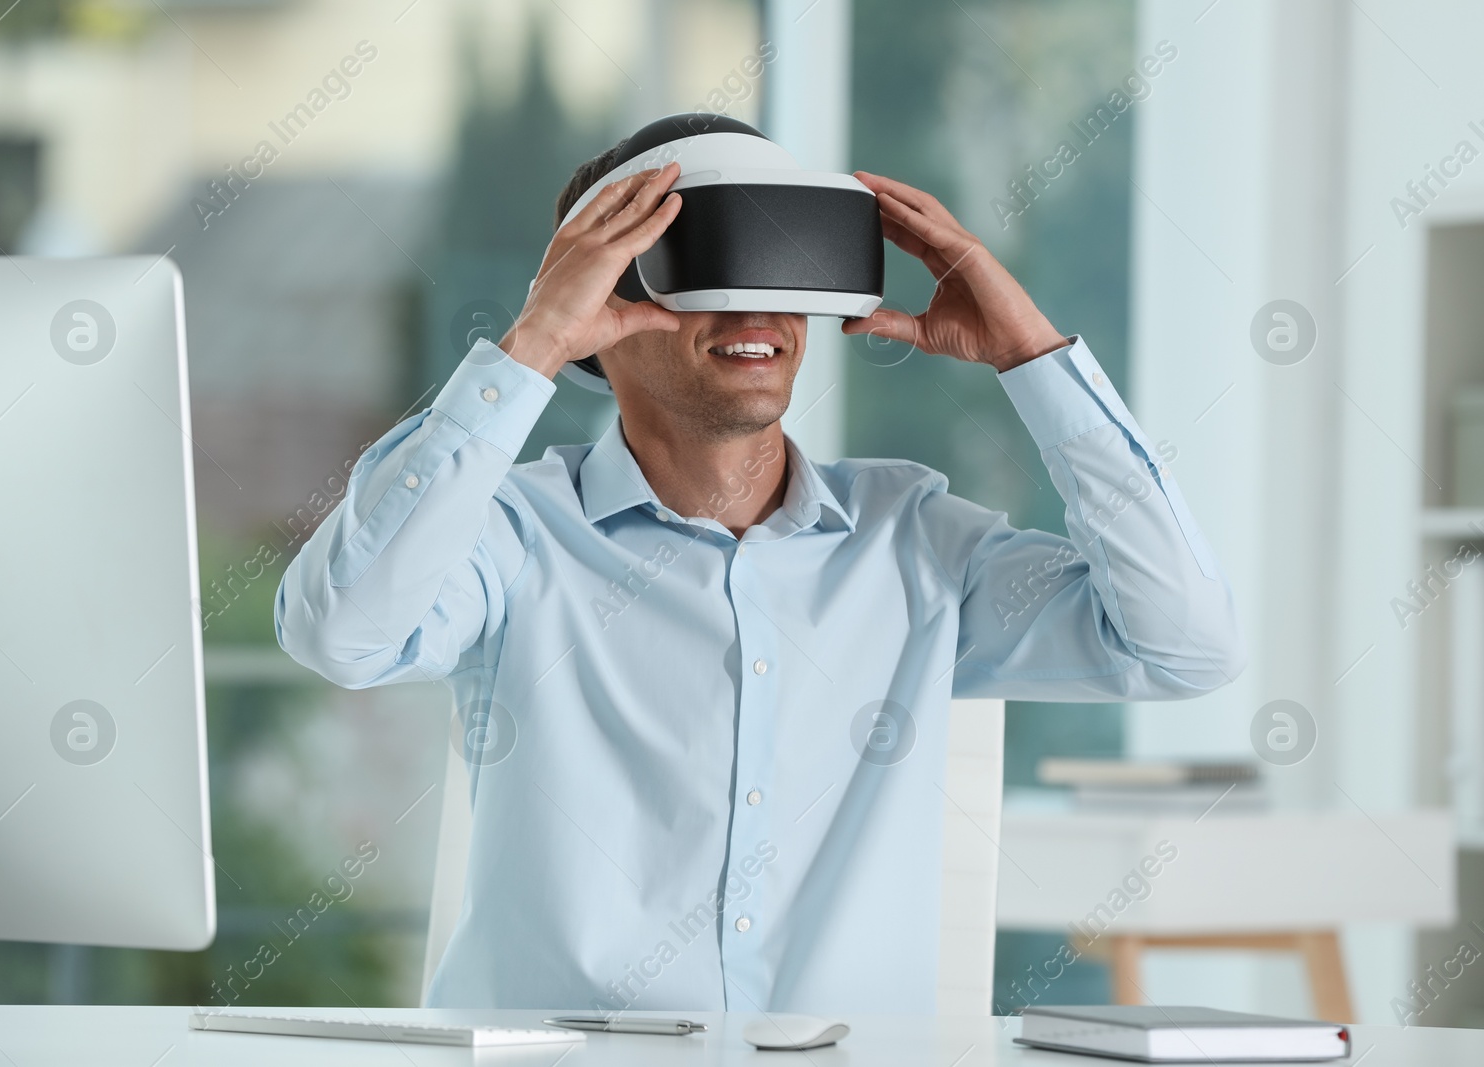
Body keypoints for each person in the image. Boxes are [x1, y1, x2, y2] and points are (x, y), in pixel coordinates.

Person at [275, 144, 1245, 1014]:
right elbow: (339, 630)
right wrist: (527, 347)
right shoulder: (517, 535)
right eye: (703, 270)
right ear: (601, 306)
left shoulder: (910, 542)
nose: (756, 309)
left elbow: (1183, 646)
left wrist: (1032, 355)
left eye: (787, 260)